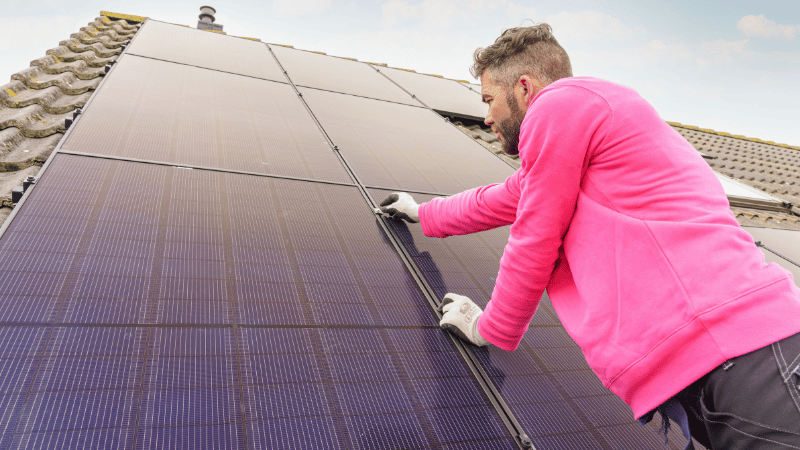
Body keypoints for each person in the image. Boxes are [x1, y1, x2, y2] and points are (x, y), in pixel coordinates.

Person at [379, 24, 800, 449]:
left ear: (525, 88)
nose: (486, 117)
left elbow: (534, 234)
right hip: (729, 360)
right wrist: (422, 213)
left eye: (489, 99)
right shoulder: (586, 131)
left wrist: (490, 329)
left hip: (744, 350)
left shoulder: (561, 103)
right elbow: (508, 198)